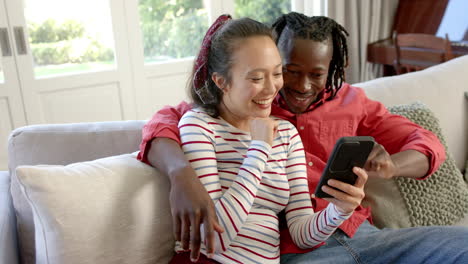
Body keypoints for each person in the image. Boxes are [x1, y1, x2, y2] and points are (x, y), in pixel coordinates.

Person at [138, 12, 468, 263]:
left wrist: (378, 177)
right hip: (297, 253)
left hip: (359, 233)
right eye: (291, 70)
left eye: (316, 74)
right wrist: (180, 173)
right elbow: (162, 122)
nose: (300, 85)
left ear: (335, 68)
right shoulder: (217, 114)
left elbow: (427, 144)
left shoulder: (338, 111)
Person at [164, 14, 368, 264]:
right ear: (221, 81)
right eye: (257, 78)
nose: (272, 88)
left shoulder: (286, 135)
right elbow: (215, 239)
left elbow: (302, 234)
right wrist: (259, 149)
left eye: (277, 73)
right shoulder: (200, 126)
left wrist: (339, 210)